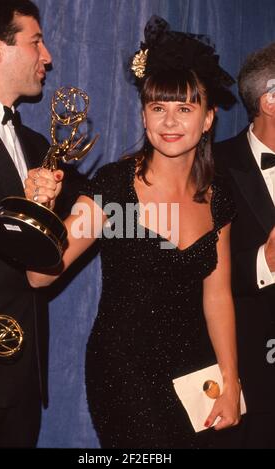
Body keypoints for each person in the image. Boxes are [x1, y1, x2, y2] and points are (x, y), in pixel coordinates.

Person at [25, 16, 241, 449]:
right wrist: (40, 211)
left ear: (208, 118)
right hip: (124, 372)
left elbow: (217, 295)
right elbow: (40, 277)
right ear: (144, 116)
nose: (170, 121)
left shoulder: (219, 198)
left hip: (195, 370)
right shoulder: (113, 188)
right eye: (158, 107)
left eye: (185, 108)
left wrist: (231, 379)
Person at [0, 0, 84, 447]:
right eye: (36, 41)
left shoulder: (39, 144)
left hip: (22, 381)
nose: (49, 57)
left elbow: (101, 202)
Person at [214, 43, 275, 449]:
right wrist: (264, 261)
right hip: (253, 376)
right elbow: (185, 269)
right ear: (270, 101)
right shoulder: (212, 166)